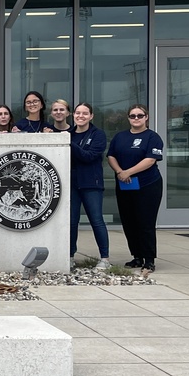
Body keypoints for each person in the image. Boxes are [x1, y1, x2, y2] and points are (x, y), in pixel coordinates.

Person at [107, 104, 163, 272]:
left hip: (148, 185)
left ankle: (149, 260)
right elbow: (111, 156)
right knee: (129, 222)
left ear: (146, 117)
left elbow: (150, 160)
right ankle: (137, 256)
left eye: (140, 115)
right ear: (128, 118)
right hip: (125, 185)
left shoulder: (152, 137)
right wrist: (119, 172)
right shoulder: (120, 137)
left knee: (145, 222)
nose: (136, 118)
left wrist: (128, 172)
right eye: (133, 116)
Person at [70, 103, 110, 269]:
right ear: (73, 115)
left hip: (91, 184)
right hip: (72, 185)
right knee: (72, 222)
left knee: (96, 220)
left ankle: (105, 258)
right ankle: (70, 256)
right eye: (78, 113)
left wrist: (69, 143)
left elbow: (89, 156)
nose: (81, 116)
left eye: (85, 113)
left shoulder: (98, 134)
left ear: (91, 116)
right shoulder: (69, 133)